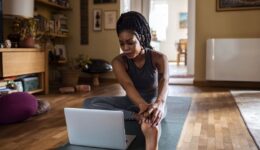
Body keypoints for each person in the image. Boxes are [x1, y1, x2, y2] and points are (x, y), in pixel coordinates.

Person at [84, 11, 169, 150]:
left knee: (151, 121)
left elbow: (164, 80)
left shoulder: (159, 58)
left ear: (141, 37)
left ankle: (149, 128)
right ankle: (136, 117)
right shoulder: (118, 62)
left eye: (130, 42)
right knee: (89, 103)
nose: (125, 48)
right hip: (131, 102)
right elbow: (128, 86)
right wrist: (141, 107)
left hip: (154, 103)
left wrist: (159, 104)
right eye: (121, 43)